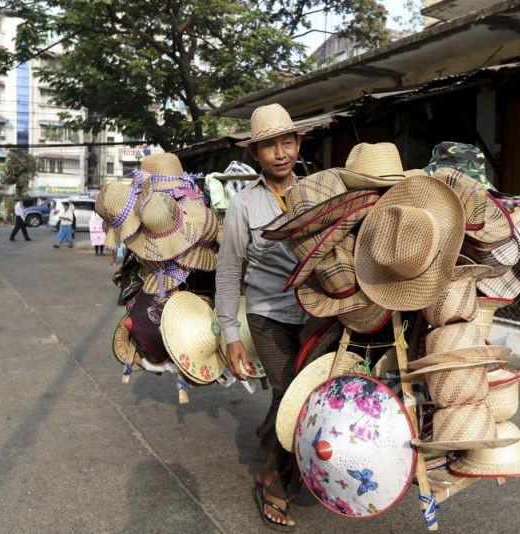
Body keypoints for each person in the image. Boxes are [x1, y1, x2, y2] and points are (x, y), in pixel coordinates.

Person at [215, 103, 308, 531]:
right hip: (267, 313)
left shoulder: (315, 194)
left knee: (309, 392)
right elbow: (230, 273)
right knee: (288, 391)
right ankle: (270, 473)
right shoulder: (243, 205)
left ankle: (280, 453)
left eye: (287, 142)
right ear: (256, 153)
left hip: (312, 312)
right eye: (270, 146)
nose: (280, 153)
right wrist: (230, 336)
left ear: (297, 144)